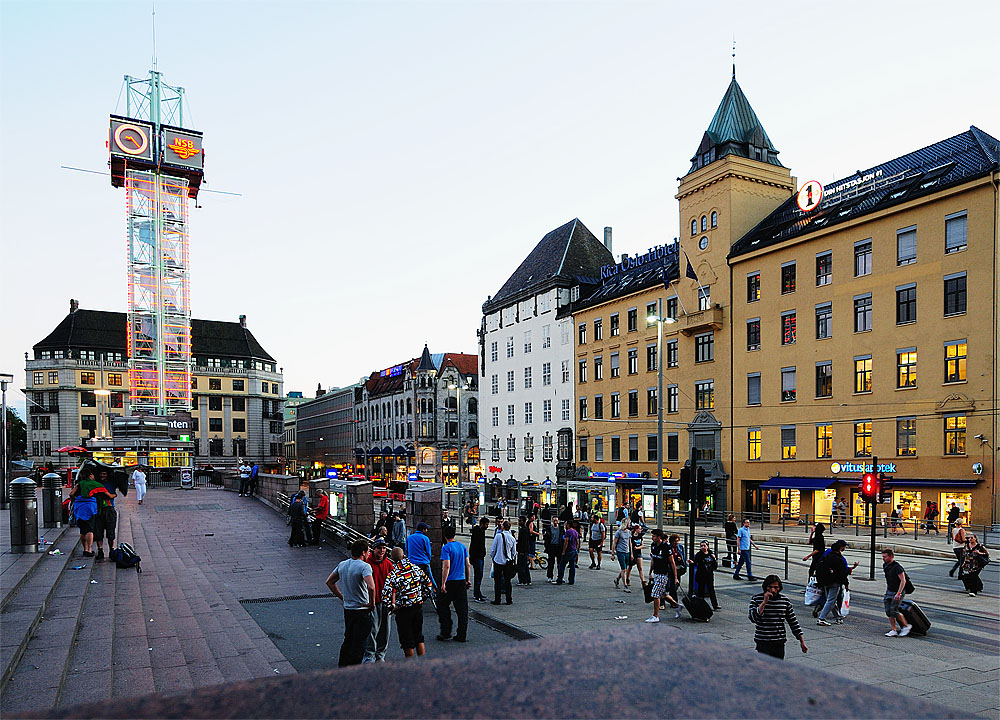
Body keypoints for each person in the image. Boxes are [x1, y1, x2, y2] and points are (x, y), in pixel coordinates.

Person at [326, 539, 376, 666]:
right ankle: (354, 671)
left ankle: (343, 666)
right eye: (368, 551)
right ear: (363, 552)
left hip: (348, 609)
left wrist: (342, 597)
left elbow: (330, 582)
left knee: (348, 639)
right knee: (359, 644)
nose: (369, 554)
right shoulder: (365, 566)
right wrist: (372, 603)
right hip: (362, 610)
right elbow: (371, 587)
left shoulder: (343, 564)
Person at [382, 546, 434, 659]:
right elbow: (429, 584)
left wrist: (392, 607)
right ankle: (422, 664)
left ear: (392, 558)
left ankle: (411, 666)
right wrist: (422, 597)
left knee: (407, 640)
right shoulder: (416, 568)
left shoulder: (394, 574)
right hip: (417, 607)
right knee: (419, 637)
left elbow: (385, 595)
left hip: (403, 610)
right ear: (403, 555)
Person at [749, 575, 808, 659]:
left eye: (776, 587)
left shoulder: (784, 601)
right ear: (765, 587)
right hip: (763, 641)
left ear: (779, 588)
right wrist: (764, 603)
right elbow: (753, 618)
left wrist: (801, 641)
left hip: (778, 641)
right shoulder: (756, 599)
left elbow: (793, 622)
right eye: (770, 587)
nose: (773, 590)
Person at [436, 525, 472, 642]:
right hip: (461, 581)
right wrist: (468, 579)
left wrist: (443, 583)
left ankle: (446, 631)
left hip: (450, 581)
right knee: (462, 610)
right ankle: (462, 634)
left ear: (445, 535)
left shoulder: (446, 548)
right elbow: (467, 564)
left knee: (442, 605)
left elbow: (446, 566)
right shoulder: (462, 546)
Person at [363, 537, 395, 663]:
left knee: (385, 631)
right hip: (373, 602)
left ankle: (380, 655)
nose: (382, 551)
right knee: (372, 629)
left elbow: (393, 585)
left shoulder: (389, 564)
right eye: (379, 548)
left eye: (383, 548)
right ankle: (370, 655)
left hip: (386, 602)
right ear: (373, 549)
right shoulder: (367, 564)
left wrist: (393, 602)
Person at [814, 540, 858, 626]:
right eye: (844, 547)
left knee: (830, 600)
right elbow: (843, 573)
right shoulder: (839, 559)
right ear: (841, 548)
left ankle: (838, 617)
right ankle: (821, 618)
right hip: (835, 582)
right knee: (831, 601)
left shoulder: (827, 556)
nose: (845, 548)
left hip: (825, 581)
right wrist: (846, 584)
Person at [70, 468, 112, 557]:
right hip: (90, 508)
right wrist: (113, 495)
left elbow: (71, 494)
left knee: (82, 530)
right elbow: (108, 494)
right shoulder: (95, 484)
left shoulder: (79, 484)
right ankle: (89, 549)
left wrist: (75, 500)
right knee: (90, 529)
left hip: (79, 508)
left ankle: (85, 548)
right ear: (90, 475)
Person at [645, 530, 678, 623]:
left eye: (654, 536)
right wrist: (650, 572)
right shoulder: (653, 545)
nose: (652, 538)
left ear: (659, 537)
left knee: (655, 594)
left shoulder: (666, 547)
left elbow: (672, 562)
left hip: (663, 574)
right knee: (662, 594)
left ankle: (655, 616)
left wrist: (675, 577)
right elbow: (653, 560)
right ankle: (677, 605)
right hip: (656, 572)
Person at [881, 549, 912, 637]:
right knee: (888, 611)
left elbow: (903, 581)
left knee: (894, 610)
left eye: (885, 557)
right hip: (889, 590)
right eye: (882, 557)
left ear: (891, 556)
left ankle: (906, 626)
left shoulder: (897, 567)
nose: (883, 558)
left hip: (898, 591)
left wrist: (898, 593)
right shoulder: (885, 565)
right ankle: (893, 630)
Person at [92, 468, 118, 562]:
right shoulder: (95, 484)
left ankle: (111, 549)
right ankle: (100, 550)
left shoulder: (111, 483)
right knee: (99, 531)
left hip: (109, 509)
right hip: (99, 510)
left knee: (110, 531)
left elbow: (114, 493)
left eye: (104, 474)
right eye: (101, 474)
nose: (102, 475)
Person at [490, 520, 516, 605]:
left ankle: (497, 599)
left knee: (497, 581)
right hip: (507, 562)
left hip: (498, 561)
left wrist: (493, 557)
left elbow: (493, 549)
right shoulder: (512, 538)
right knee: (508, 581)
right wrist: (510, 558)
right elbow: (514, 552)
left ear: (503, 527)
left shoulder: (498, 536)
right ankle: (509, 599)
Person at [692, 540, 720, 610]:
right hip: (701, 575)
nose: (703, 547)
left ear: (707, 546)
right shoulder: (699, 554)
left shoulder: (711, 554)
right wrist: (691, 562)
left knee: (711, 590)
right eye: (701, 546)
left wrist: (715, 559)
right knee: (700, 591)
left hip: (709, 575)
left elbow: (715, 566)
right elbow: (695, 562)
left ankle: (715, 605)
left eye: (704, 546)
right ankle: (700, 605)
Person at [405, 522, 434, 589]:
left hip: (412, 563)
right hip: (423, 562)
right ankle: (434, 593)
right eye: (426, 529)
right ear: (423, 530)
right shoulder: (425, 538)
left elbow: (406, 551)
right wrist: (428, 560)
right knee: (430, 580)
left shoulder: (409, 538)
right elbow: (428, 552)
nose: (427, 530)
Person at [470, 516, 489, 602]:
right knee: (478, 575)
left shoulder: (481, 531)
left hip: (480, 556)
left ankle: (477, 592)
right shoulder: (477, 532)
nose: (487, 526)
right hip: (477, 557)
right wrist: (472, 557)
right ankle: (477, 594)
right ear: (482, 524)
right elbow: (474, 545)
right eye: (486, 524)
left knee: (479, 575)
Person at [556, 519, 580, 585]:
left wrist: (563, 551)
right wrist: (576, 549)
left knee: (562, 565)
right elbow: (577, 542)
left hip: (568, 550)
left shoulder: (568, 532)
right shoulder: (575, 532)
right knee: (572, 565)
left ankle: (559, 579)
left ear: (568, 525)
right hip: (574, 550)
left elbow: (566, 542)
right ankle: (571, 580)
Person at [625, 523, 647, 589]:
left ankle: (643, 581)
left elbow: (643, 545)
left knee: (640, 568)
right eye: (640, 529)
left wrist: (638, 547)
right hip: (633, 553)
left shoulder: (640, 536)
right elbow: (630, 546)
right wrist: (631, 554)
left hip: (638, 553)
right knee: (630, 567)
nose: (641, 530)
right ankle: (627, 578)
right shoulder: (631, 537)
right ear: (636, 529)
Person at [612, 520, 632, 592]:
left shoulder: (629, 532)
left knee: (625, 569)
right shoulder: (619, 532)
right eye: (629, 523)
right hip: (620, 551)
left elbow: (630, 543)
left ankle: (617, 579)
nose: (630, 524)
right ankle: (625, 585)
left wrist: (631, 553)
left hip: (627, 552)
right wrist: (613, 553)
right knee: (623, 569)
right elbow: (614, 542)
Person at [545, 516, 563, 583]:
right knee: (551, 562)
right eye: (554, 520)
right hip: (552, 547)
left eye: (556, 520)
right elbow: (546, 538)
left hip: (559, 547)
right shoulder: (549, 529)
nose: (555, 521)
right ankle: (550, 576)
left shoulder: (561, 529)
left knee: (559, 563)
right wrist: (547, 547)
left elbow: (563, 538)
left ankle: (560, 576)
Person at [515, 515, 531, 586]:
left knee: (521, 566)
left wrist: (521, 550)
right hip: (524, 550)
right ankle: (527, 580)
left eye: (520, 521)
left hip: (522, 551)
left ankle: (522, 580)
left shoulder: (523, 530)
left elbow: (523, 542)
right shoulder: (526, 529)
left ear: (524, 522)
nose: (519, 522)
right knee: (525, 566)